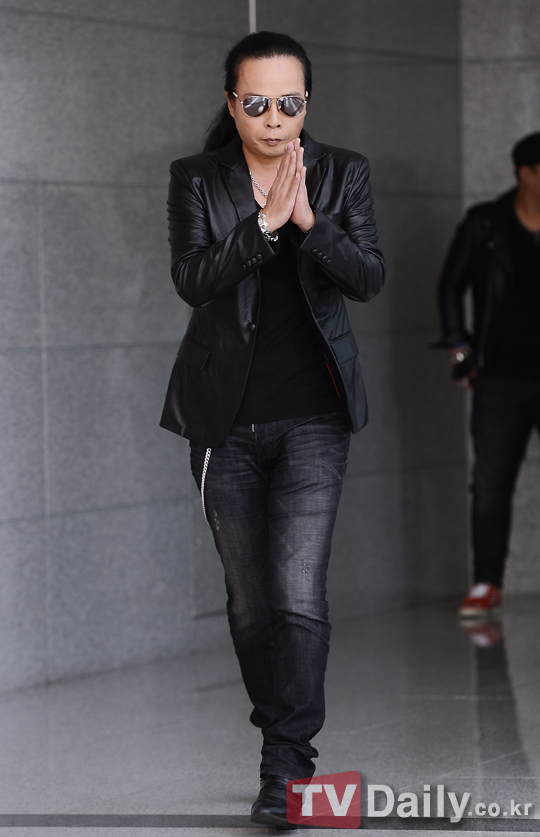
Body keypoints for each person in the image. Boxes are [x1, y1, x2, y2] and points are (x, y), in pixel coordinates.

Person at [160, 31, 385, 827]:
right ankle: (280, 720)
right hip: (222, 420)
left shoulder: (342, 170)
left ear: (306, 103)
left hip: (316, 416)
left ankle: (286, 763)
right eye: (256, 102)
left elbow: (369, 276)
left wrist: (311, 223)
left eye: (289, 102)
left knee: (297, 592)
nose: (274, 118)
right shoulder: (198, 178)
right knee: (251, 602)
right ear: (232, 104)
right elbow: (192, 280)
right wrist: (261, 226)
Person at [437, 132, 540, 621]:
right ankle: (486, 584)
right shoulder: (485, 224)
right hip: (500, 378)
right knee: (491, 484)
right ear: (527, 174)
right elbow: (450, 285)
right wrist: (460, 351)